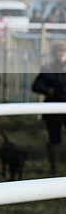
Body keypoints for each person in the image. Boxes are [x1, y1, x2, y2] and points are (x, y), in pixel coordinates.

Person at [31, 40, 66, 175]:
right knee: (54, 138)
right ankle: (54, 168)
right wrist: (50, 91)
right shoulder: (48, 68)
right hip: (53, 108)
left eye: (64, 51)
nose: (61, 54)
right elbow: (36, 86)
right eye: (59, 51)